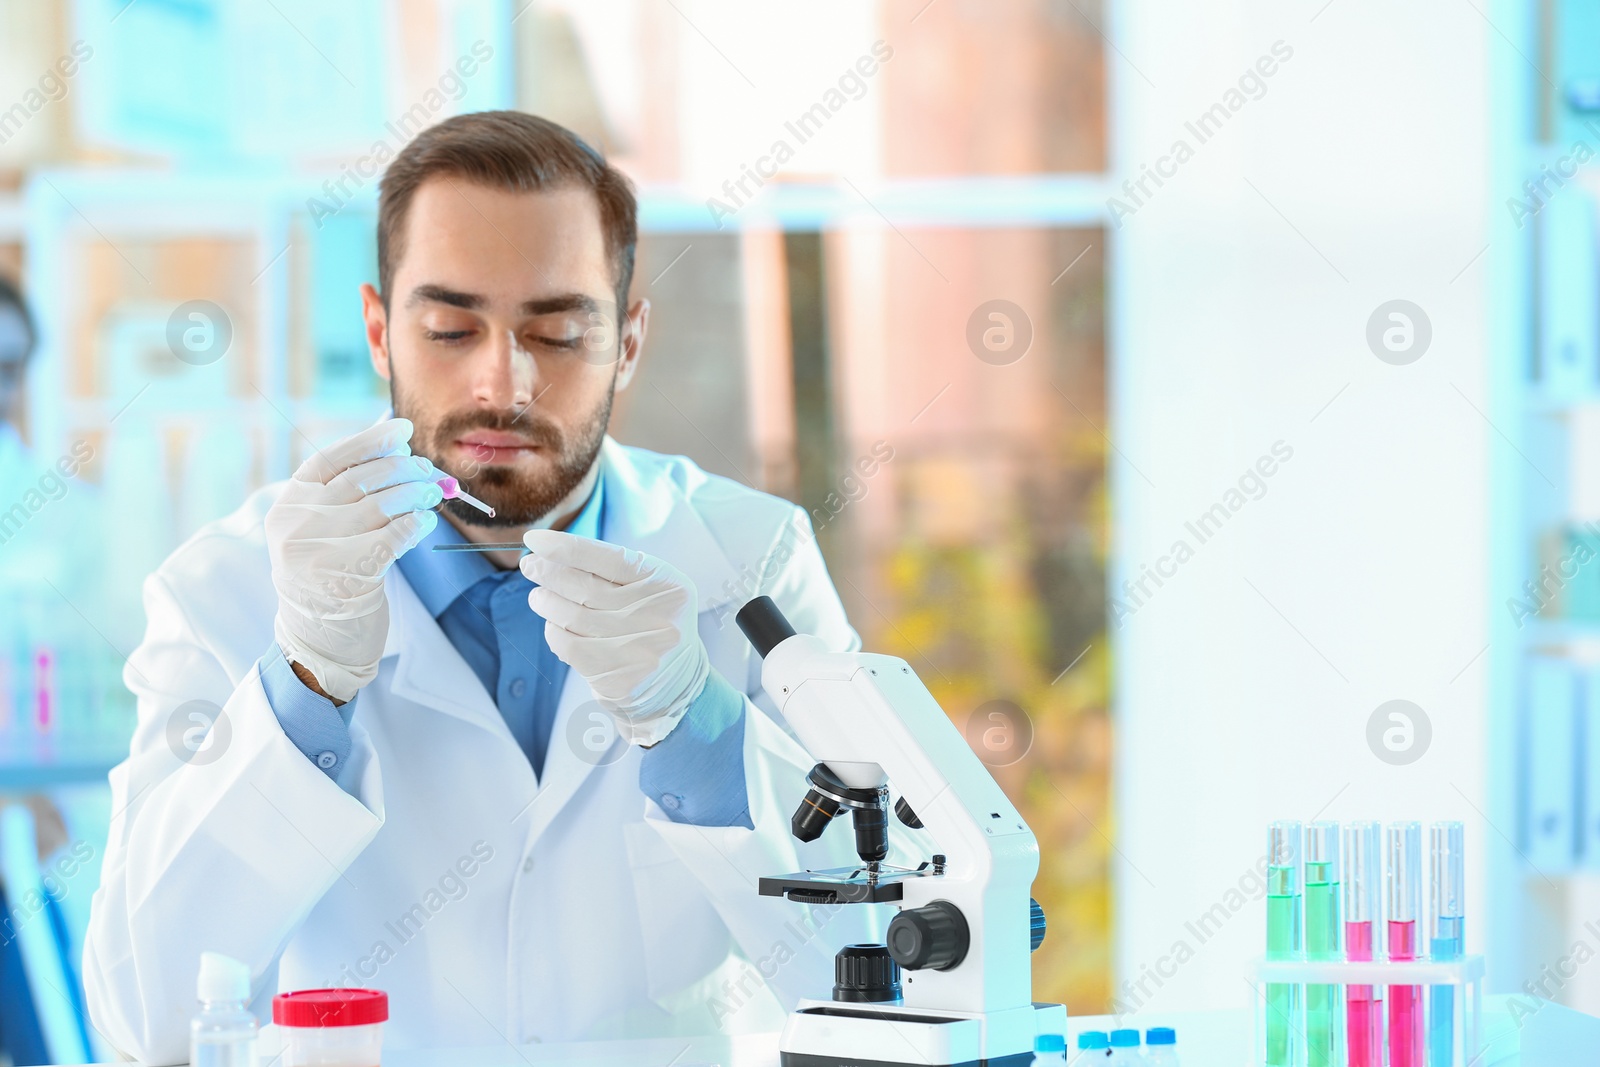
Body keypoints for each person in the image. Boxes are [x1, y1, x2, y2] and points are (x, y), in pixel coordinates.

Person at [83, 112, 918, 1062]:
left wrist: (698, 725)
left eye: (557, 332)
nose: (503, 382)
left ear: (629, 342)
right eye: (449, 328)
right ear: (378, 330)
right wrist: (306, 682)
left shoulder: (752, 562)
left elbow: (887, 970)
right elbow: (142, 1016)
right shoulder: (225, 587)